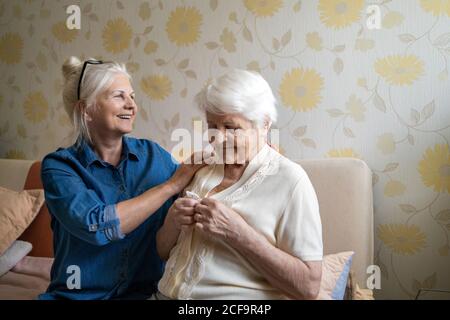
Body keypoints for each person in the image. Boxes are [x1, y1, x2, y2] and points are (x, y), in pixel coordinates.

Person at [39, 57, 205, 299]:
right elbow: (95, 225)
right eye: (119, 96)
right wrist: (170, 186)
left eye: (133, 96)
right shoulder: (60, 167)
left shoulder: (153, 156)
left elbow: (199, 185)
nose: (132, 105)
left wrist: (253, 157)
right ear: (86, 110)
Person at [155, 69, 323, 300]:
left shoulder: (291, 181)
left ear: (264, 124)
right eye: (212, 126)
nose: (218, 138)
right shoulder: (200, 169)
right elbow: (163, 252)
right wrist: (172, 221)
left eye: (231, 127)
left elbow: (308, 287)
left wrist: (239, 234)